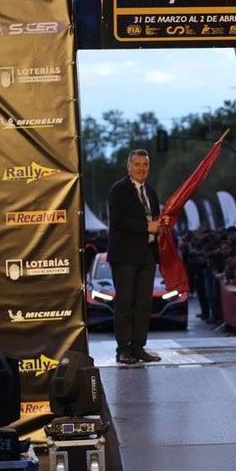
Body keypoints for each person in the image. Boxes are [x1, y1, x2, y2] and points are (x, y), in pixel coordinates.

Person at [107, 149, 163, 364]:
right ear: (129, 166)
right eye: (137, 164)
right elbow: (118, 220)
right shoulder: (119, 189)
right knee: (125, 304)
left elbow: (154, 219)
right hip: (124, 257)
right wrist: (146, 226)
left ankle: (139, 347)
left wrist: (160, 225)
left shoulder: (151, 191)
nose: (142, 168)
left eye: (145, 165)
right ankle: (123, 349)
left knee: (143, 304)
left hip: (147, 255)